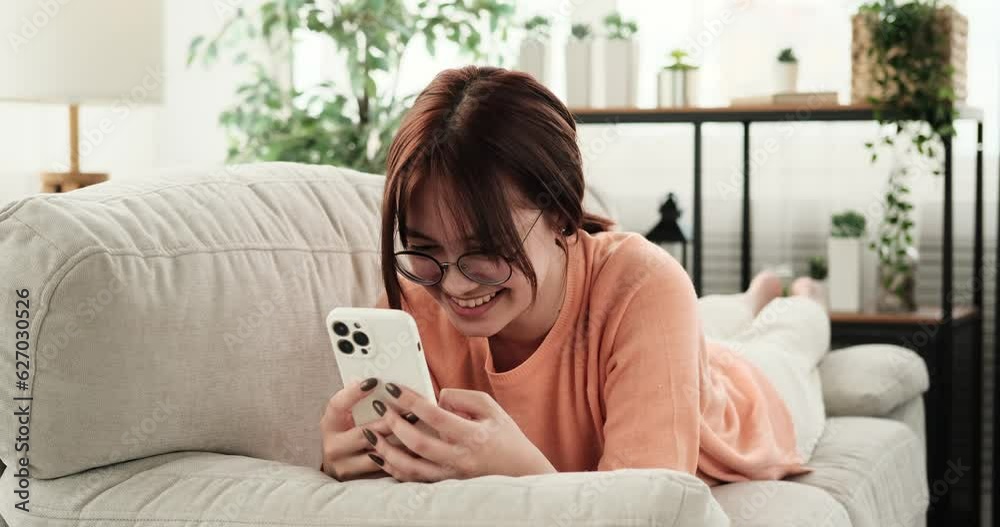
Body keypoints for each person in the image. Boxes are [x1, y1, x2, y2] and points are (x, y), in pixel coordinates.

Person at [319, 65, 828, 485]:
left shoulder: (645, 283)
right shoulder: (413, 303)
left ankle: (798, 297)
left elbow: (645, 506)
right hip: (670, 344)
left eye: (484, 250)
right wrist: (344, 460)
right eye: (426, 250)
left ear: (561, 213)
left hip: (746, 401)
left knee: (786, 339)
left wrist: (518, 473)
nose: (453, 285)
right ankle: (748, 299)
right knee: (715, 322)